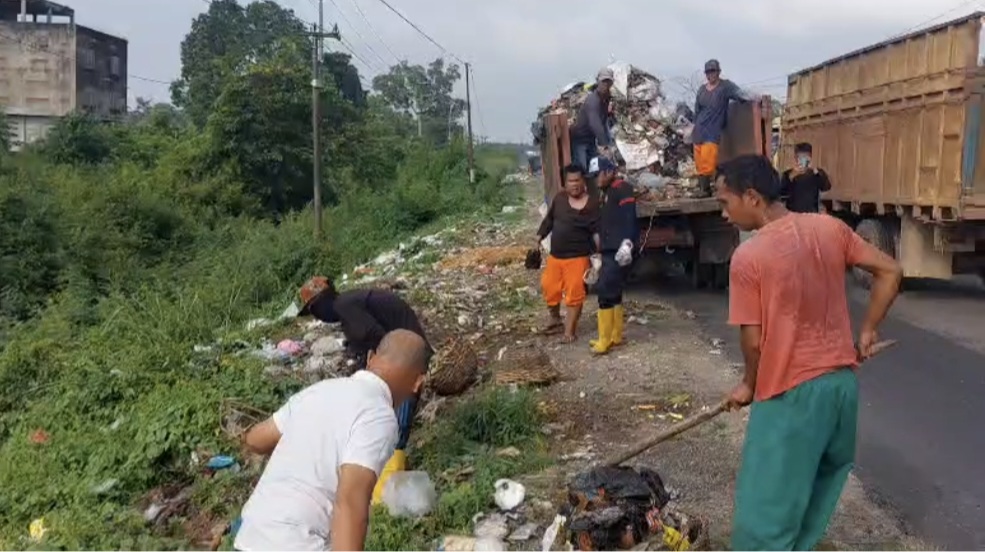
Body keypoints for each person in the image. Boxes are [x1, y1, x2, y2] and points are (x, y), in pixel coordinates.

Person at [712, 155, 902, 551]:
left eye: (725, 203)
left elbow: (753, 341)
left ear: (752, 197)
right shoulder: (829, 228)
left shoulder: (749, 257)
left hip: (791, 395)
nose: (724, 214)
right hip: (840, 391)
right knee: (811, 499)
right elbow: (890, 271)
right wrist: (868, 329)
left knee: (763, 520)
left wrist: (748, 385)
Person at [235, 329, 429, 551]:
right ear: (418, 382)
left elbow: (256, 440)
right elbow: (351, 502)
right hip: (297, 540)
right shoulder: (379, 415)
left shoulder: (318, 391)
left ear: (370, 357)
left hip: (252, 535)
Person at [297, 276, 433, 502]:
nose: (318, 318)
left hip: (410, 354)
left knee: (394, 398)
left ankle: (392, 466)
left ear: (321, 304)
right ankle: (391, 460)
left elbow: (377, 338)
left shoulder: (345, 307)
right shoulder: (349, 304)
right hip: (409, 347)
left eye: (314, 311)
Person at [536, 163, 600, 342]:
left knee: (575, 294)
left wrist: (599, 254)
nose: (575, 184)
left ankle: (569, 332)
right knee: (549, 287)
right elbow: (549, 220)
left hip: (578, 257)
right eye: (571, 181)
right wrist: (539, 237)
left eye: (577, 180)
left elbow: (597, 231)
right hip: (556, 256)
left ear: (583, 181)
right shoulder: (560, 199)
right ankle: (555, 319)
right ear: (565, 183)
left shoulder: (592, 204)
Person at [588, 156, 639, 355]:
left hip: (618, 249)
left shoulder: (622, 188)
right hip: (609, 249)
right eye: (593, 176)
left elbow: (630, 217)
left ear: (609, 172)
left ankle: (605, 339)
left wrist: (628, 242)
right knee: (614, 292)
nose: (596, 179)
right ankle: (615, 336)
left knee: (605, 293)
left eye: (598, 174)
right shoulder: (607, 192)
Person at [691, 59, 757, 192]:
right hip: (699, 131)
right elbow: (697, 110)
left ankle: (705, 190)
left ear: (718, 72)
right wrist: (692, 127)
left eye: (713, 71)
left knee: (708, 161)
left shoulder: (725, 87)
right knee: (699, 162)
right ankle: (702, 188)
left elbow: (740, 94)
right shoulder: (701, 90)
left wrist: (753, 98)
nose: (710, 75)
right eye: (708, 72)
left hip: (712, 132)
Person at [570, 67, 615, 174]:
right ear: (598, 81)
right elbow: (595, 124)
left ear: (611, 83)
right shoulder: (593, 100)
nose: (605, 85)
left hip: (591, 140)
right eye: (603, 81)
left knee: (594, 169)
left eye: (608, 82)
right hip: (580, 140)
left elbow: (603, 120)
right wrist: (604, 145)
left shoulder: (606, 98)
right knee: (581, 168)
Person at [779, 142, 832, 213]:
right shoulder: (788, 174)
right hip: (793, 214)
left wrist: (816, 172)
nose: (803, 160)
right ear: (795, 158)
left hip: (811, 214)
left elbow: (826, 187)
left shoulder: (816, 173)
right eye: (800, 158)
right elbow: (781, 194)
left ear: (810, 158)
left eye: (806, 157)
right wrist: (791, 177)